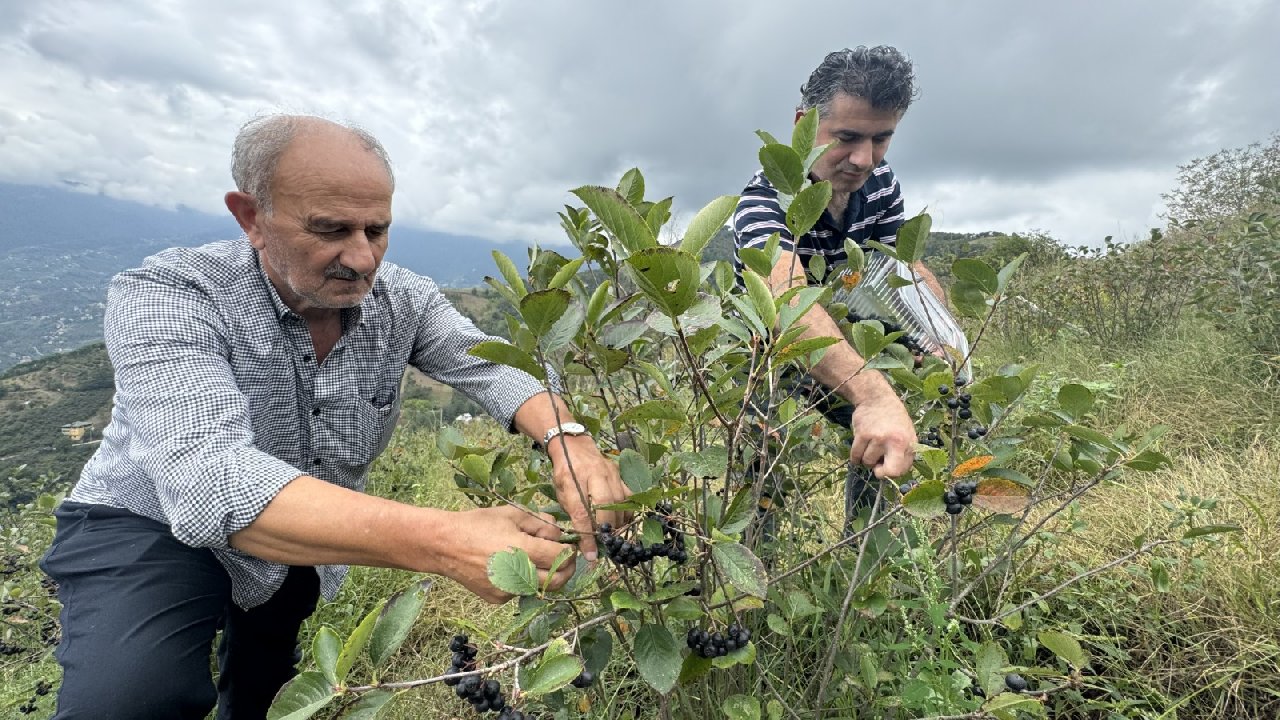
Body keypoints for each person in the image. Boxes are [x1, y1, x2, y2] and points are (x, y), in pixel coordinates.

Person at [38, 114, 630, 719]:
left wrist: (569, 440)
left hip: (305, 534)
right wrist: (447, 540)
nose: (362, 257)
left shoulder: (405, 300)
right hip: (147, 521)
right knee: (131, 698)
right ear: (251, 218)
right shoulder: (167, 293)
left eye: (378, 230)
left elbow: (492, 368)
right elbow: (209, 480)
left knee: (263, 685)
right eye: (331, 229)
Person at [732, 46, 946, 524]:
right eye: (847, 137)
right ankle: (752, 588)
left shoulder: (881, 184)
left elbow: (905, 269)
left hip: (847, 342)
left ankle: (866, 559)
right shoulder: (764, 200)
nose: (862, 158)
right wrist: (873, 396)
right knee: (758, 479)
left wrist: (941, 337)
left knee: (892, 443)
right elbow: (788, 302)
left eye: (881, 139)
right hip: (767, 357)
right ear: (803, 122)